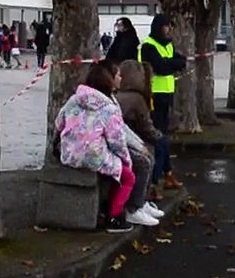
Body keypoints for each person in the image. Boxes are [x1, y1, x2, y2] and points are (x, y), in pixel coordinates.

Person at [54, 61, 137, 234]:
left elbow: (59, 122)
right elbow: (117, 141)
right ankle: (114, 216)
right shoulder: (109, 108)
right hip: (93, 155)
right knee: (127, 177)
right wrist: (126, 160)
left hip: (68, 153)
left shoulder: (73, 100)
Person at [116, 59, 171, 219]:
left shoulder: (118, 95)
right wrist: (158, 137)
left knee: (153, 150)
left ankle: (145, 198)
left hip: (125, 138)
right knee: (153, 154)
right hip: (128, 139)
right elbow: (146, 128)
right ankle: (138, 203)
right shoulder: (137, 99)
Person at [138, 15, 187, 188]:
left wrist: (173, 63)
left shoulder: (168, 45)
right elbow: (161, 67)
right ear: (158, 27)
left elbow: (182, 60)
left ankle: (167, 173)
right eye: (166, 26)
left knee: (164, 137)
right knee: (158, 138)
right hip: (153, 96)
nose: (169, 30)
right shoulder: (148, 46)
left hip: (167, 94)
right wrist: (173, 64)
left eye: (170, 27)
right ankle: (154, 180)